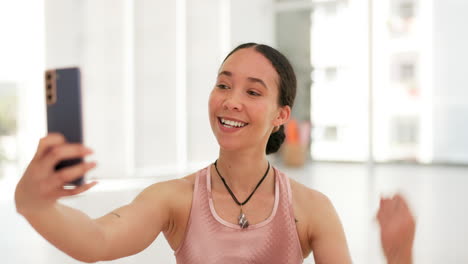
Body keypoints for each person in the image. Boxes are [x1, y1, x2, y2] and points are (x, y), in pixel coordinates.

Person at [15, 43, 415, 263]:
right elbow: (97, 240)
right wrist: (34, 205)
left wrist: (400, 255)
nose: (231, 101)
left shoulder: (311, 208)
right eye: (223, 85)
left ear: (281, 115)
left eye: (253, 91)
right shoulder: (176, 199)